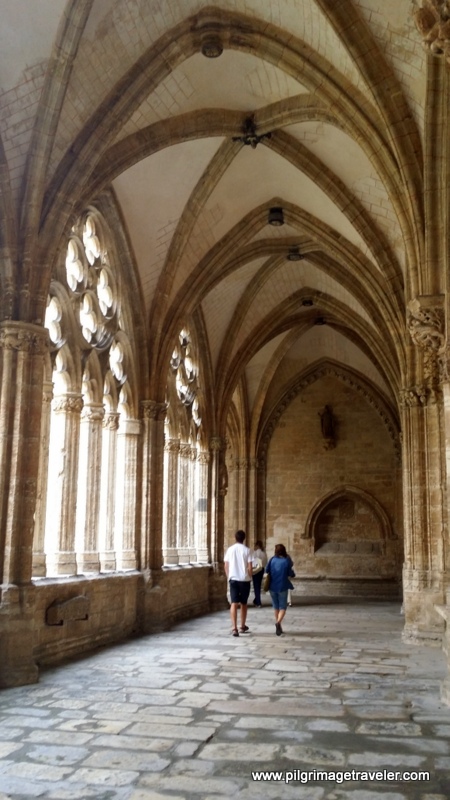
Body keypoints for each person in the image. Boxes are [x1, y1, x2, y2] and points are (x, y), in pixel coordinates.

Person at [224, 530, 253, 637]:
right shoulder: (247, 550)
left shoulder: (230, 550)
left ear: (235, 538)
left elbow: (226, 565)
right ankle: (242, 626)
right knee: (244, 603)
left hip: (233, 579)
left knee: (234, 603)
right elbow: (250, 567)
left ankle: (234, 628)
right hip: (244, 580)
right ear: (244, 538)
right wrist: (249, 576)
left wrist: (229, 576)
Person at [264, 543, 295, 635]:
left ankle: (279, 625)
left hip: (272, 586)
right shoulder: (286, 561)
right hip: (282, 586)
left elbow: (266, 570)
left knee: (276, 606)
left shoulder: (272, 559)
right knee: (283, 607)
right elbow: (291, 573)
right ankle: (278, 623)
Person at [252, 540, 267, 607]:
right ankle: (256, 600)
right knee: (258, 585)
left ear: (257, 545)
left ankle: (258, 602)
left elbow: (252, 562)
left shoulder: (254, 553)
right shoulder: (264, 553)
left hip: (255, 570)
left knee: (256, 586)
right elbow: (265, 562)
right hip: (261, 570)